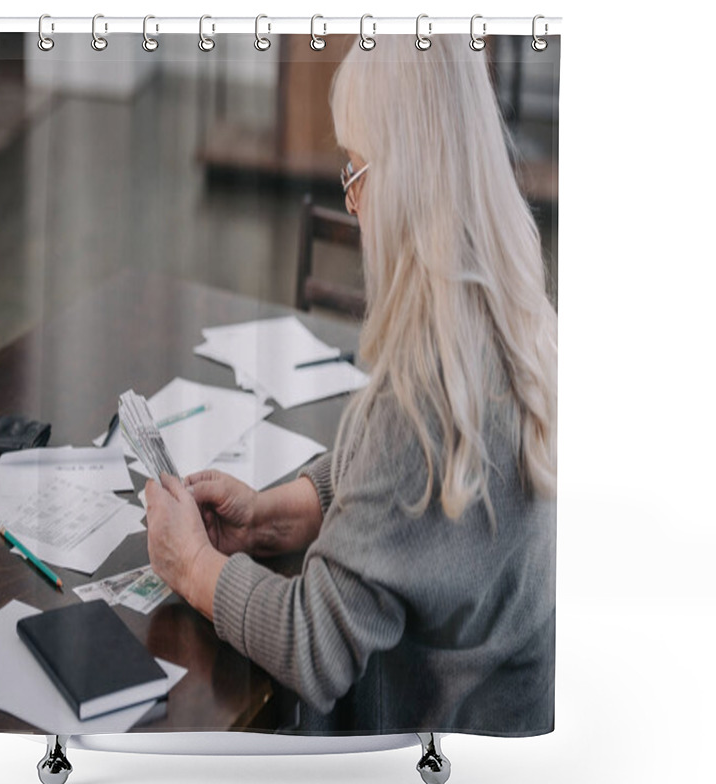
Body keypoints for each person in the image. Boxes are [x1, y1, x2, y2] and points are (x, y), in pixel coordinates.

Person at [145, 35, 557, 735]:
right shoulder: (516, 316)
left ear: (406, 181)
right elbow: (419, 503)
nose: (354, 200)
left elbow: (315, 648)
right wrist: (277, 511)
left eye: (355, 168)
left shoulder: (420, 396)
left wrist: (189, 564)